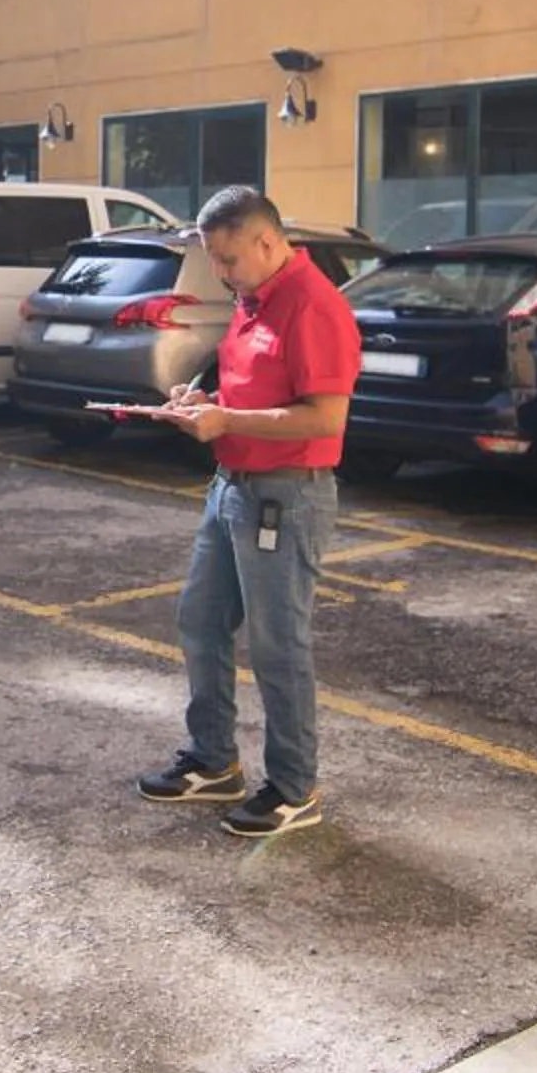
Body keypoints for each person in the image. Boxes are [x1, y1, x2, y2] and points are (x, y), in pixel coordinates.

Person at [129, 186, 362, 838]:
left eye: (228, 260)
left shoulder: (313, 307)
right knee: (200, 620)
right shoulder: (254, 298)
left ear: (266, 241)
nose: (221, 275)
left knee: (277, 647)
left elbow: (326, 416)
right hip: (234, 486)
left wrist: (225, 418)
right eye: (215, 262)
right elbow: (250, 384)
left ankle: (293, 787)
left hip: (285, 496)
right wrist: (200, 398)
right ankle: (212, 760)